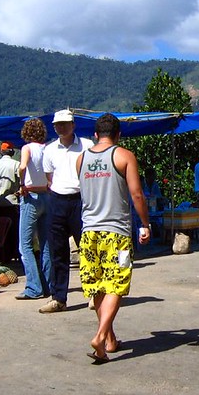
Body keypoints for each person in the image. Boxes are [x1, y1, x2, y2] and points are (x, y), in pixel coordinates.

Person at [76, 113, 151, 363]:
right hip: (115, 233)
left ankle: (109, 339)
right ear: (118, 134)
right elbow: (137, 194)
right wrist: (145, 223)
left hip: (88, 233)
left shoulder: (81, 159)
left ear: (96, 134)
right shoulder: (123, 156)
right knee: (116, 284)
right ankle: (99, 336)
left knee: (98, 285)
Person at [38, 109, 93, 314]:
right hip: (57, 201)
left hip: (81, 200)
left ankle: (93, 293)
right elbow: (49, 178)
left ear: (73, 125)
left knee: (87, 249)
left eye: (65, 123)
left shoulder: (87, 146)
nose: (61, 127)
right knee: (57, 252)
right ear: (54, 127)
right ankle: (58, 298)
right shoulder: (49, 149)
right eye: (58, 124)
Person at [15, 118, 52, 300]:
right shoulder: (47, 149)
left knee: (25, 245)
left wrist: (21, 183)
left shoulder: (27, 148)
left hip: (31, 197)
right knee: (45, 244)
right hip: (46, 195)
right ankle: (48, 285)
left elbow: (22, 167)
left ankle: (33, 287)